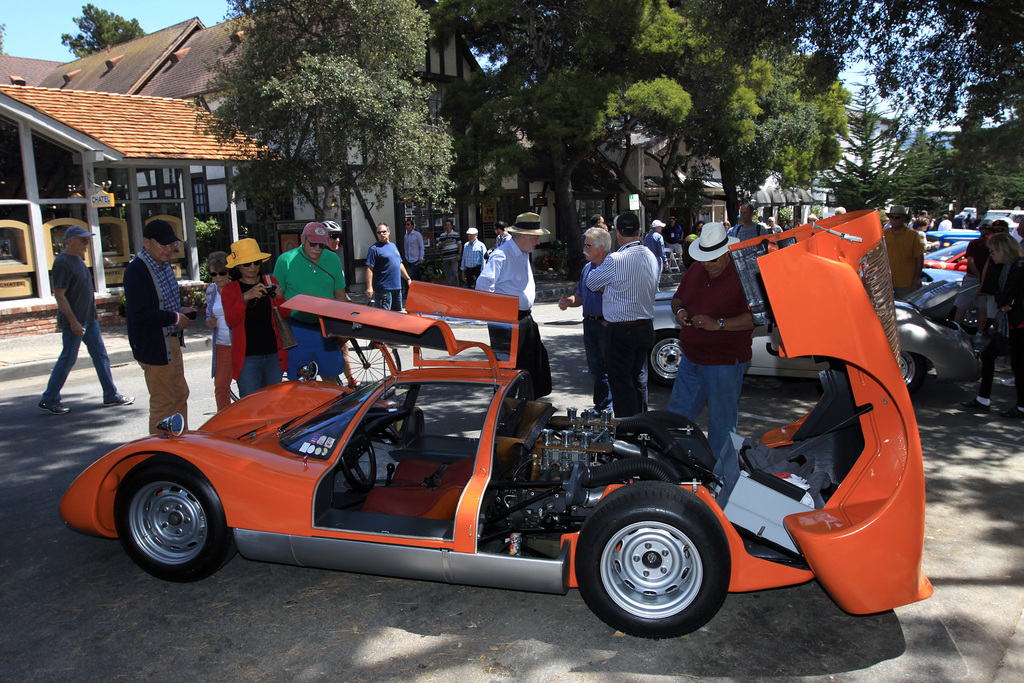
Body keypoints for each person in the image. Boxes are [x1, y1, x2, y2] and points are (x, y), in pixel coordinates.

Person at [667, 222, 755, 464]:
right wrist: (681, 311)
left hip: (724, 361)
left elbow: (756, 318)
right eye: (704, 259)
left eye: (713, 260)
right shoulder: (696, 269)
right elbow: (678, 298)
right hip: (692, 357)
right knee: (676, 418)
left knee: (722, 425)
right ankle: (675, 467)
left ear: (727, 252)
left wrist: (720, 324)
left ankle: (721, 480)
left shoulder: (743, 274)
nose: (707, 264)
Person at [38, 225, 134, 415]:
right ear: (70, 240)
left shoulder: (79, 261)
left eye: (87, 239)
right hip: (75, 322)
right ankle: (49, 398)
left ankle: (110, 394)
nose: (86, 243)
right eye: (82, 239)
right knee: (68, 359)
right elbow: (60, 295)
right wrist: (73, 321)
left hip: (89, 320)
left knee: (100, 356)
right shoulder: (63, 262)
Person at [123, 219, 195, 433]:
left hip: (170, 341)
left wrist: (180, 312)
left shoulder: (162, 266)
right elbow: (140, 314)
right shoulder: (137, 270)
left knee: (180, 395)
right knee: (164, 401)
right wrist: (174, 318)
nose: (169, 249)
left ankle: (181, 441)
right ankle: (162, 450)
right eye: (163, 244)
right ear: (147, 243)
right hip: (155, 346)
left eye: (171, 244)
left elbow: (163, 304)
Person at [586, 212, 659, 417]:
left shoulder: (616, 259)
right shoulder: (650, 256)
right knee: (637, 381)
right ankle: (642, 425)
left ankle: (628, 430)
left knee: (621, 382)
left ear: (617, 233)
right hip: (645, 326)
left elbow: (591, 282)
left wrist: (607, 285)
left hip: (622, 328)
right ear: (640, 231)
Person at [476, 211, 552, 398]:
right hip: (507, 319)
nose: (538, 242)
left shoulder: (522, 251)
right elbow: (483, 286)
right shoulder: (501, 255)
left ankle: (524, 407)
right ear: (524, 236)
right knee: (506, 370)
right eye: (535, 238)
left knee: (531, 364)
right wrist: (499, 315)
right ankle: (503, 410)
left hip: (524, 318)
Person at [959, 232, 1024, 418]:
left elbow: (1010, 293)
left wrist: (1007, 302)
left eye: (994, 251)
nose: (992, 255)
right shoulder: (1008, 266)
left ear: (1003, 249)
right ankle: (983, 398)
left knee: (1018, 364)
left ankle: (1019, 406)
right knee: (991, 356)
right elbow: (1000, 293)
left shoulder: (1018, 266)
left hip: (1018, 323)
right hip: (1009, 321)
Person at [273, 221, 347, 382]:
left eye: (321, 245)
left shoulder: (333, 259)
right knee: (300, 382)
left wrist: (342, 327)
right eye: (313, 243)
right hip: (297, 329)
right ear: (302, 239)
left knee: (331, 380)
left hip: (326, 329)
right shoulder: (285, 260)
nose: (317, 249)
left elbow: (340, 296)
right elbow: (277, 300)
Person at [221, 238, 289, 397]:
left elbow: (285, 315)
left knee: (274, 403)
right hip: (247, 359)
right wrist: (244, 298)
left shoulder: (270, 281)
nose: (253, 267)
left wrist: (279, 298)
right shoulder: (230, 289)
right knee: (251, 407)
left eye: (256, 262)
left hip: (273, 354)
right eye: (247, 263)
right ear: (238, 266)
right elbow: (231, 321)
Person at [558, 227, 613, 411]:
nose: (584, 249)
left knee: (608, 367)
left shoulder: (613, 267)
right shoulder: (587, 268)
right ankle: (601, 405)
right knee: (596, 368)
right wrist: (568, 302)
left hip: (607, 323)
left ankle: (607, 408)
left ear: (602, 248)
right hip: (589, 322)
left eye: (588, 245)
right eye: (584, 245)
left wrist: (608, 319)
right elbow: (580, 297)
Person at [322, 220, 358, 388]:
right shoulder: (322, 258)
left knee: (343, 345)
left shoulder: (333, 258)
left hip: (335, 307)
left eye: (338, 237)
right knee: (338, 345)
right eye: (333, 236)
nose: (337, 240)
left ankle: (350, 381)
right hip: (325, 311)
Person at [954, 221, 997, 333]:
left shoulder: (975, 243)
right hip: (984, 280)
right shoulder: (994, 244)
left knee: (961, 306)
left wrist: (978, 277)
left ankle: (955, 331)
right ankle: (979, 334)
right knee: (981, 308)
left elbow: (970, 262)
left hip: (973, 278)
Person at [204, 251, 233, 411]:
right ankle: (225, 423)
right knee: (221, 387)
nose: (218, 277)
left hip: (240, 343)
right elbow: (210, 314)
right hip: (222, 345)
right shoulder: (211, 291)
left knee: (248, 387)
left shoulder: (237, 287)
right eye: (213, 274)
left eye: (222, 272)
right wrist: (210, 322)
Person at [365, 222, 411, 311]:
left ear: (389, 232)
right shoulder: (374, 249)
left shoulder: (393, 246)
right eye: (379, 232)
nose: (382, 234)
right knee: (383, 317)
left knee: (397, 316)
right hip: (383, 289)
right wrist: (369, 287)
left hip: (397, 288)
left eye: (384, 231)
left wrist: (408, 278)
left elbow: (399, 264)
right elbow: (369, 269)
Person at [884, 204, 924, 299]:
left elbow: (919, 257)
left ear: (904, 219)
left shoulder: (913, 235)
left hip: (907, 282)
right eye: (891, 217)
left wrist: (917, 277)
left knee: (905, 309)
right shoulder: (883, 234)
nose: (894, 219)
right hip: (886, 282)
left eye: (897, 217)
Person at [402, 217, 424, 286]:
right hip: (409, 259)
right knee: (417, 276)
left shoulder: (417, 235)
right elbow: (406, 247)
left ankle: (409, 291)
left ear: (412, 226)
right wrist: (406, 256)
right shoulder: (406, 236)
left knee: (412, 276)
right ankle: (421, 288)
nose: (406, 226)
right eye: (405, 225)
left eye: (408, 224)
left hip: (416, 259)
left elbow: (421, 246)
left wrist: (421, 257)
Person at [438, 219, 461, 287]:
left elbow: (460, 244)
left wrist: (459, 254)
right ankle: (450, 287)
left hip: (454, 256)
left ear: (451, 226)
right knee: (447, 273)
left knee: (454, 271)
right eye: (446, 225)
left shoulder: (455, 234)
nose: (447, 226)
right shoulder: (442, 235)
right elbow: (439, 246)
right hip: (445, 257)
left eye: (449, 225)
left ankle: (457, 286)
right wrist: (445, 241)